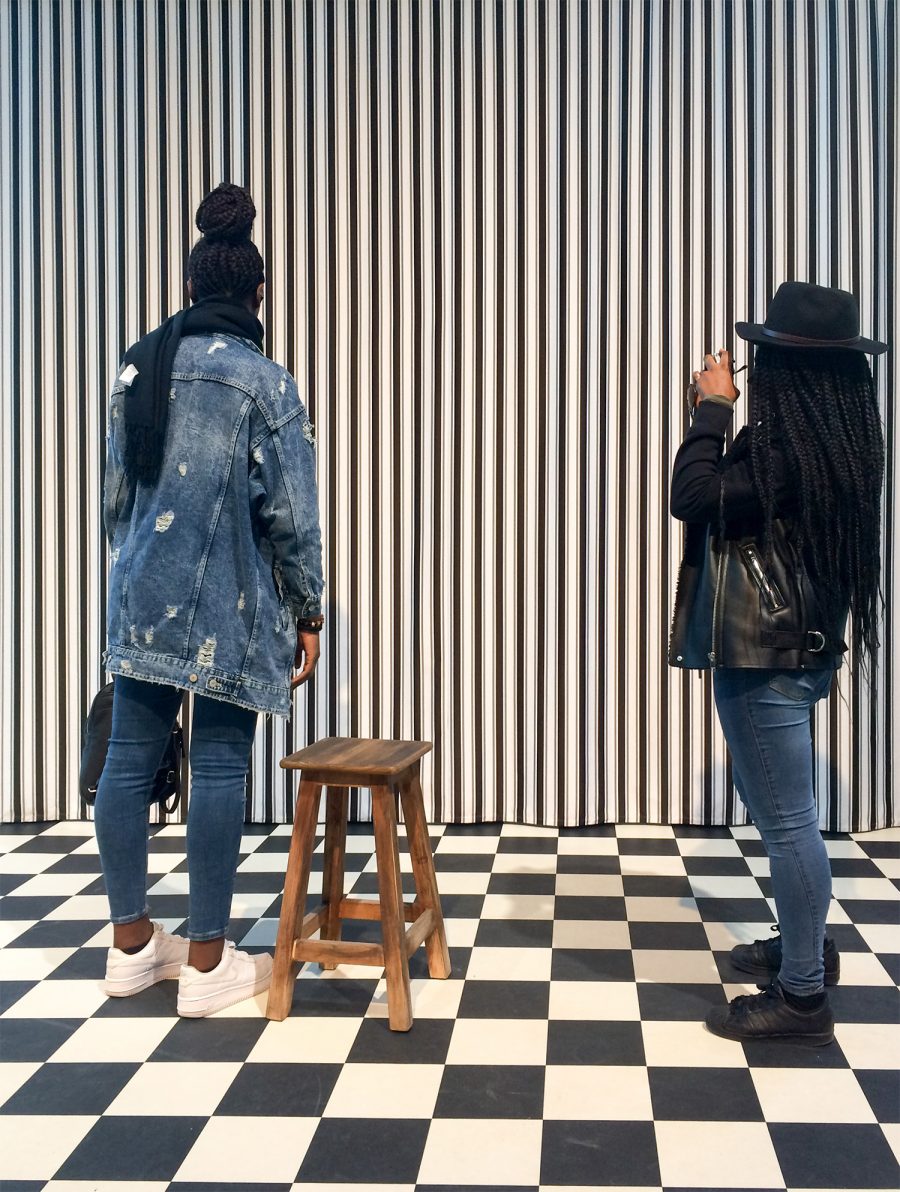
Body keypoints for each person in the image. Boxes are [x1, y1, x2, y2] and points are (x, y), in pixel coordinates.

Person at [95, 183, 324, 1017]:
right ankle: (206, 965)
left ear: (192, 288)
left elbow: (117, 505)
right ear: (257, 295)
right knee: (220, 763)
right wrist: (309, 612)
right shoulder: (266, 384)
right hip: (227, 601)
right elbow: (291, 518)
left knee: (128, 759)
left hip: (140, 594)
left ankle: (129, 949)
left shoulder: (137, 366)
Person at [668, 281, 886, 1045]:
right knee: (778, 815)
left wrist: (711, 408)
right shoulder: (836, 440)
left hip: (766, 657)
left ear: (790, 370)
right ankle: (802, 951)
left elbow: (693, 495)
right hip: (796, 649)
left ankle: (801, 998)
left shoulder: (789, 451)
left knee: (790, 825)